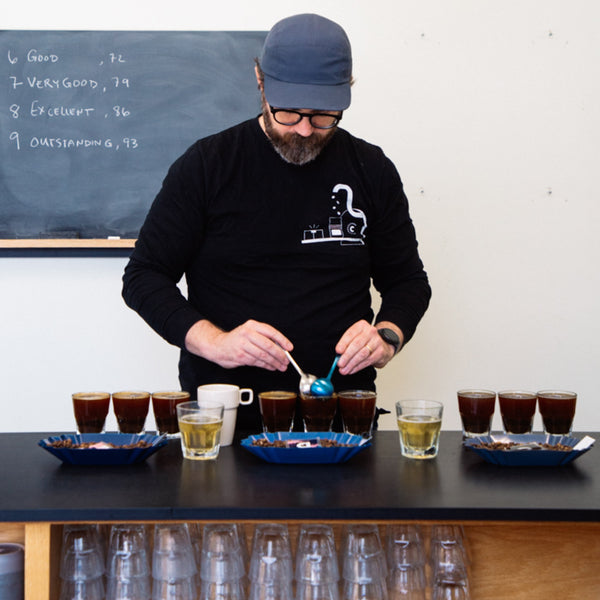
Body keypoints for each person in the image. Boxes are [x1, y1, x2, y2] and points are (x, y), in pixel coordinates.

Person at [122, 13, 431, 432]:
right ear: (260, 81)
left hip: (342, 416)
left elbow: (408, 282)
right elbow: (144, 276)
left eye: (323, 115)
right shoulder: (207, 165)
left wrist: (387, 336)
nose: (304, 130)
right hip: (226, 416)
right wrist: (215, 341)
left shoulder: (371, 169)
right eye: (288, 113)